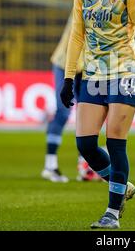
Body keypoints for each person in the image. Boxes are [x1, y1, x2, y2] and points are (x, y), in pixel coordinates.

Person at [60, 0, 135, 229]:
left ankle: (112, 214)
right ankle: (123, 186)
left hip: (125, 71)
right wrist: (68, 77)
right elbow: (77, 35)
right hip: (93, 73)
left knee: (115, 140)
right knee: (86, 144)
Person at [41, 15, 100, 182]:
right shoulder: (83, 6)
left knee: (87, 116)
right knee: (63, 112)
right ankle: (50, 166)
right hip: (65, 65)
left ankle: (84, 164)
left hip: (86, 69)